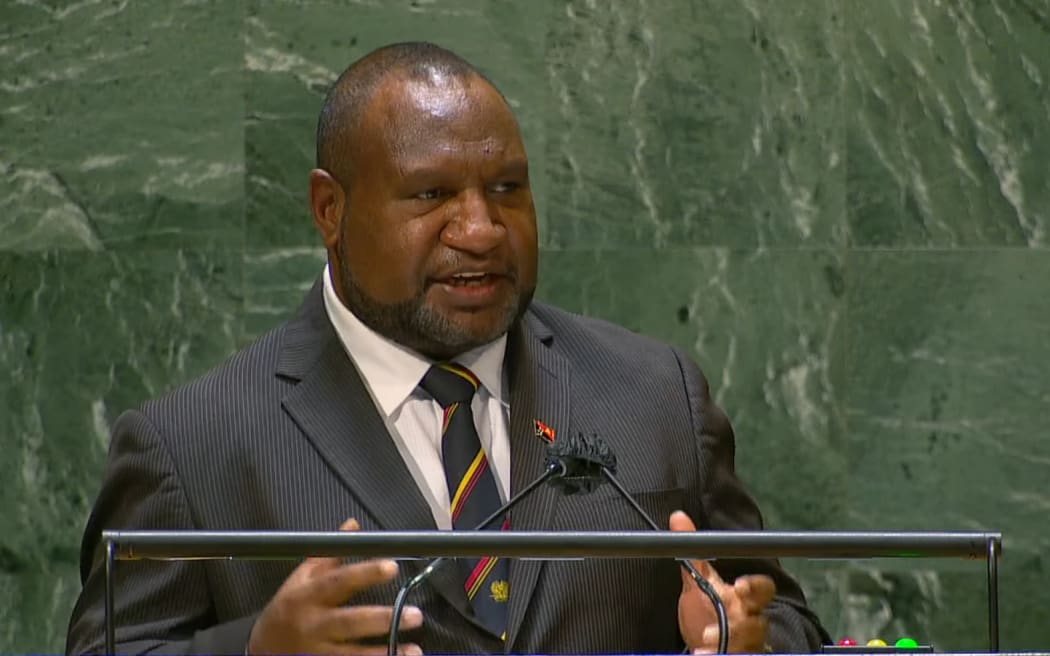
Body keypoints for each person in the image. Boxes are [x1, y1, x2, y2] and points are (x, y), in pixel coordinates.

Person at [66, 42, 829, 655]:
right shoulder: (190, 448)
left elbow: (785, 623)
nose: (481, 230)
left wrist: (747, 645)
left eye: (507, 189)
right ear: (330, 209)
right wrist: (258, 650)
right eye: (431, 195)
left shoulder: (655, 395)